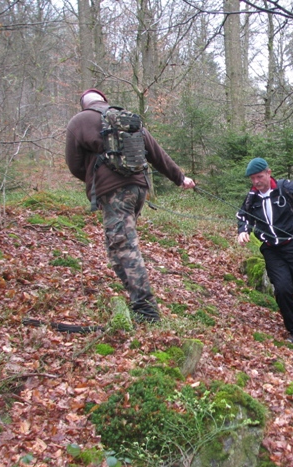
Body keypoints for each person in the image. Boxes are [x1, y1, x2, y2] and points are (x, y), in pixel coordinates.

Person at [65, 89, 195, 323]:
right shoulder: (125, 117)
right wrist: (180, 178)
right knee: (117, 247)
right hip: (139, 188)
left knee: (124, 246)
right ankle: (138, 299)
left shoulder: (80, 121)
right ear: (104, 100)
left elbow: (74, 165)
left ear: (83, 104)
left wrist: (96, 179)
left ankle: (147, 311)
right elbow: (156, 152)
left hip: (113, 193)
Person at [237, 157, 293, 351]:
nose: (256, 182)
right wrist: (243, 231)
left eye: (259, 177)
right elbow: (242, 216)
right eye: (252, 178)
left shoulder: (287, 187)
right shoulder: (251, 197)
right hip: (271, 249)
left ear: (268, 173)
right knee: (282, 289)